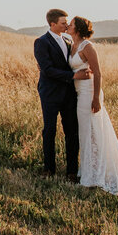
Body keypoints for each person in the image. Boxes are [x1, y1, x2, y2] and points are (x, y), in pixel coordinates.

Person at [67, 16, 118, 199]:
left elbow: (98, 73)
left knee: (93, 132)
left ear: (77, 28)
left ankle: (96, 174)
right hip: (79, 95)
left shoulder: (88, 46)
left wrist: (96, 98)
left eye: (71, 24)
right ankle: (89, 171)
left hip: (89, 94)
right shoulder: (72, 45)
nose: (68, 26)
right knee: (86, 133)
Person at [33, 9, 92, 179]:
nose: (66, 25)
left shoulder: (68, 41)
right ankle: (49, 169)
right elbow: (48, 70)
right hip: (50, 94)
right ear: (52, 24)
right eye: (62, 23)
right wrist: (73, 76)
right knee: (50, 131)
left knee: (72, 132)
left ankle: (72, 171)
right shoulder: (41, 42)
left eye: (67, 22)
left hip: (68, 94)